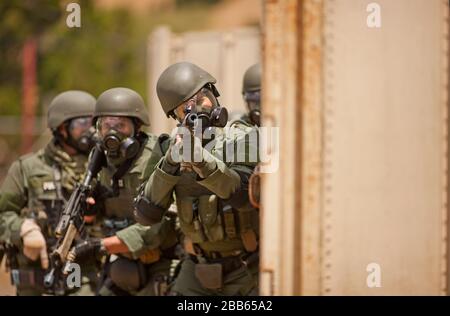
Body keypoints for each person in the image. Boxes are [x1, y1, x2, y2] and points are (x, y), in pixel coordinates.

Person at [133, 62, 260, 295]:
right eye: (185, 109)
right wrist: (170, 164)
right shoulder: (166, 148)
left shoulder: (244, 136)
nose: (196, 111)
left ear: (213, 94)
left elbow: (242, 195)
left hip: (246, 267)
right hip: (196, 269)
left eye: (200, 99)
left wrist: (203, 163)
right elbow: (146, 214)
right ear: (176, 116)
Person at [69, 87, 178, 296]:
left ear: (136, 127)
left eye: (121, 125)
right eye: (107, 125)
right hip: (122, 262)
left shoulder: (157, 154)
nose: (113, 132)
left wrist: (101, 246)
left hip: (163, 261)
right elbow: (101, 214)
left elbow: (159, 225)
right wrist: (92, 212)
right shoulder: (100, 160)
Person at [0, 90, 97, 295]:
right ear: (62, 128)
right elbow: (3, 214)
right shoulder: (28, 168)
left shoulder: (103, 168)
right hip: (36, 277)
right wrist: (24, 230)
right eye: (82, 124)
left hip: (86, 275)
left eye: (93, 123)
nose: (90, 131)